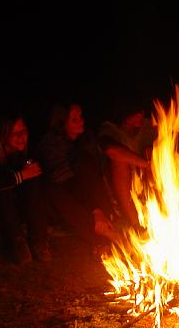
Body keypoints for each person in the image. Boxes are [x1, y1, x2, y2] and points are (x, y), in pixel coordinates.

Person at [38, 101, 122, 252]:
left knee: (85, 162)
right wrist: (95, 211)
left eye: (81, 117)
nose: (81, 121)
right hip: (58, 200)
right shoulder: (51, 145)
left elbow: (95, 176)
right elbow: (67, 183)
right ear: (62, 124)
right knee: (55, 189)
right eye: (74, 120)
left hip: (81, 195)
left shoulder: (85, 139)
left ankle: (109, 223)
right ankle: (103, 235)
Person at [0, 112, 50, 264]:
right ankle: (17, 241)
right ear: (3, 135)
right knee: (3, 187)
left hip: (19, 209)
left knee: (33, 178)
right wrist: (21, 175)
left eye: (23, 131)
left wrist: (28, 172)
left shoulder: (25, 153)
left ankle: (39, 240)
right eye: (14, 133)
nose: (21, 136)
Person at [96, 95, 155, 229]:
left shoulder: (146, 126)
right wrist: (145, 164)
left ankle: (159, 212)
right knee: (119, 161)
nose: (140, 115)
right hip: (121, 186)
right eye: (135, 112)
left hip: (144, 182)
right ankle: (136, 223)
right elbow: (111, 150)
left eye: (141, 111)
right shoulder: (110, 130)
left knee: (150, 152)